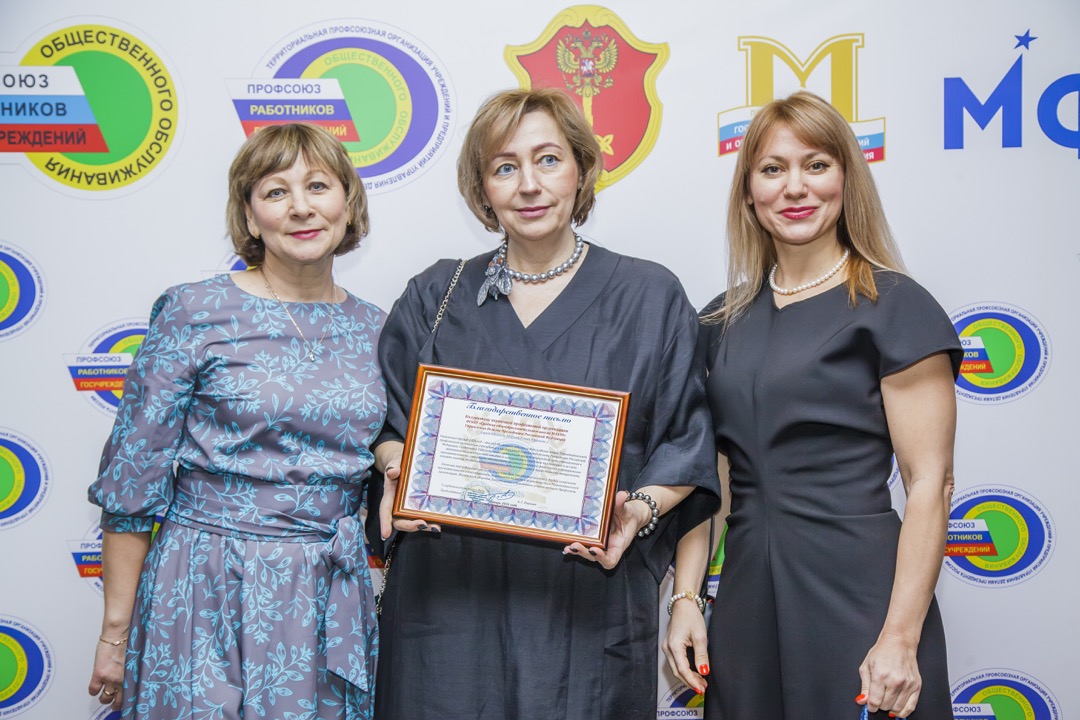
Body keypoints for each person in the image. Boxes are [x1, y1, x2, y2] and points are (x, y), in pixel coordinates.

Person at [370, 88, 720, 720]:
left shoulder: (649, 297)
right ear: (482, 189)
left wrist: (636, 510)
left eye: (549, 160)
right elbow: (386, 423)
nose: (529, 184)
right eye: (505, 167)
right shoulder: (435, 294)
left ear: (581, 169)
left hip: (586, 611)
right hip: (447, 607)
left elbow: (686, 443)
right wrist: (397, 467)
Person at [663, 91, 961, 719]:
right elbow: (709, 476)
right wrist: (686, 597)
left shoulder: (895, 306)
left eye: (817, 165)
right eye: (772, 169)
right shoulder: (720, 320)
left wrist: (899, 637)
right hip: (746, 599)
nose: (795, 187)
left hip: (862, 598)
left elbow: (929, 483)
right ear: (749, 192)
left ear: (846, 179)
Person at [86, 123, 385, 719]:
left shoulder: (379, 329)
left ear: (348, 204)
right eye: (275, 191)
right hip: (206, 582)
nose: (300, 207)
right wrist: (114, 634)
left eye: (318, 186)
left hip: (325, 591)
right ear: (250, 217)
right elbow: (132, 481)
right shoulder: (194, 311)